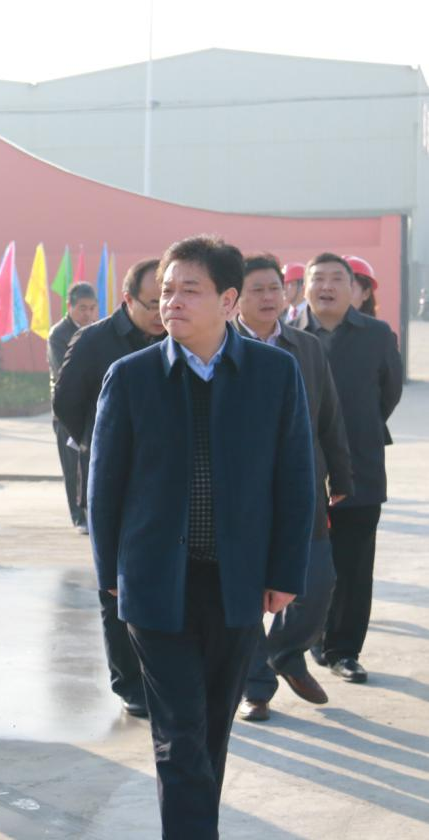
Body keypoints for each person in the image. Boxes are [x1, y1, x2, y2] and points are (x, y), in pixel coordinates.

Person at [89, 235, 314, 839]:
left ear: (229, 300)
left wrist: (285, 573)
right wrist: (111, 574)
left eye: (190, 290)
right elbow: (104, 486)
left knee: (212, 726)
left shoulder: (274, 373)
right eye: (166, 291)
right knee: (179, 730)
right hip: (155, 582)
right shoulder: (130, 376)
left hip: (237, 583)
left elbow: (295, 479)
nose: (173, 302)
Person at [234, 255, 353, 721]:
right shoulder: (221, 347)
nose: (269, 297)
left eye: (275, 288)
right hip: (243, 495)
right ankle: (256, 688)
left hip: (302, 486)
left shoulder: (306, 347)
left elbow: (330, 417)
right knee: (246, 595)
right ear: (235, 297)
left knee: (318, 583)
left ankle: (284, 651)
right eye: (257, 289)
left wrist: (341, 475)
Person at [52, 258, 164, 718]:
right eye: (153, 303)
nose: (162, 312)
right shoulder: (95, 341)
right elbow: (66, 401)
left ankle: (162, 675)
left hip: (167, 482)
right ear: (127, 299)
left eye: (168, 300)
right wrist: (98, 445)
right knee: (115, 586)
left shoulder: (179, 337)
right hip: (113, 483)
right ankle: (129, 683)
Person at [303, 253, 403, 683]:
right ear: (305, 288)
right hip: (303, 468)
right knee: (307, 561)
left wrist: (359, 428)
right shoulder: (288, 335)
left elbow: (389, 393)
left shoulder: (377, 335)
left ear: (353, 289)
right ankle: (309, 637)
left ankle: (344, 650)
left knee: (356, 564)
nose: (326, 286)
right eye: (318, 279)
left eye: (336, 279)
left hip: (361, 464)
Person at [47, 282, 98, 532]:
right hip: (67, 411)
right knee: (71, 465)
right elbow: (64, 375)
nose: (87, 314)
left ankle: (92, 511)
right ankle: (78, 517)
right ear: (69, 307)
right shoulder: (58, 334)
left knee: (91, 463)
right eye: (82, 308)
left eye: (91, 308)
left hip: (92, 410)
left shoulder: (97, 331)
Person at [281, 262, 309, 329]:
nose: (284, 288)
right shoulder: (279, 317)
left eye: (289, 284)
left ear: (302, 286)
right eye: (282, 284)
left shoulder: (313, 317)